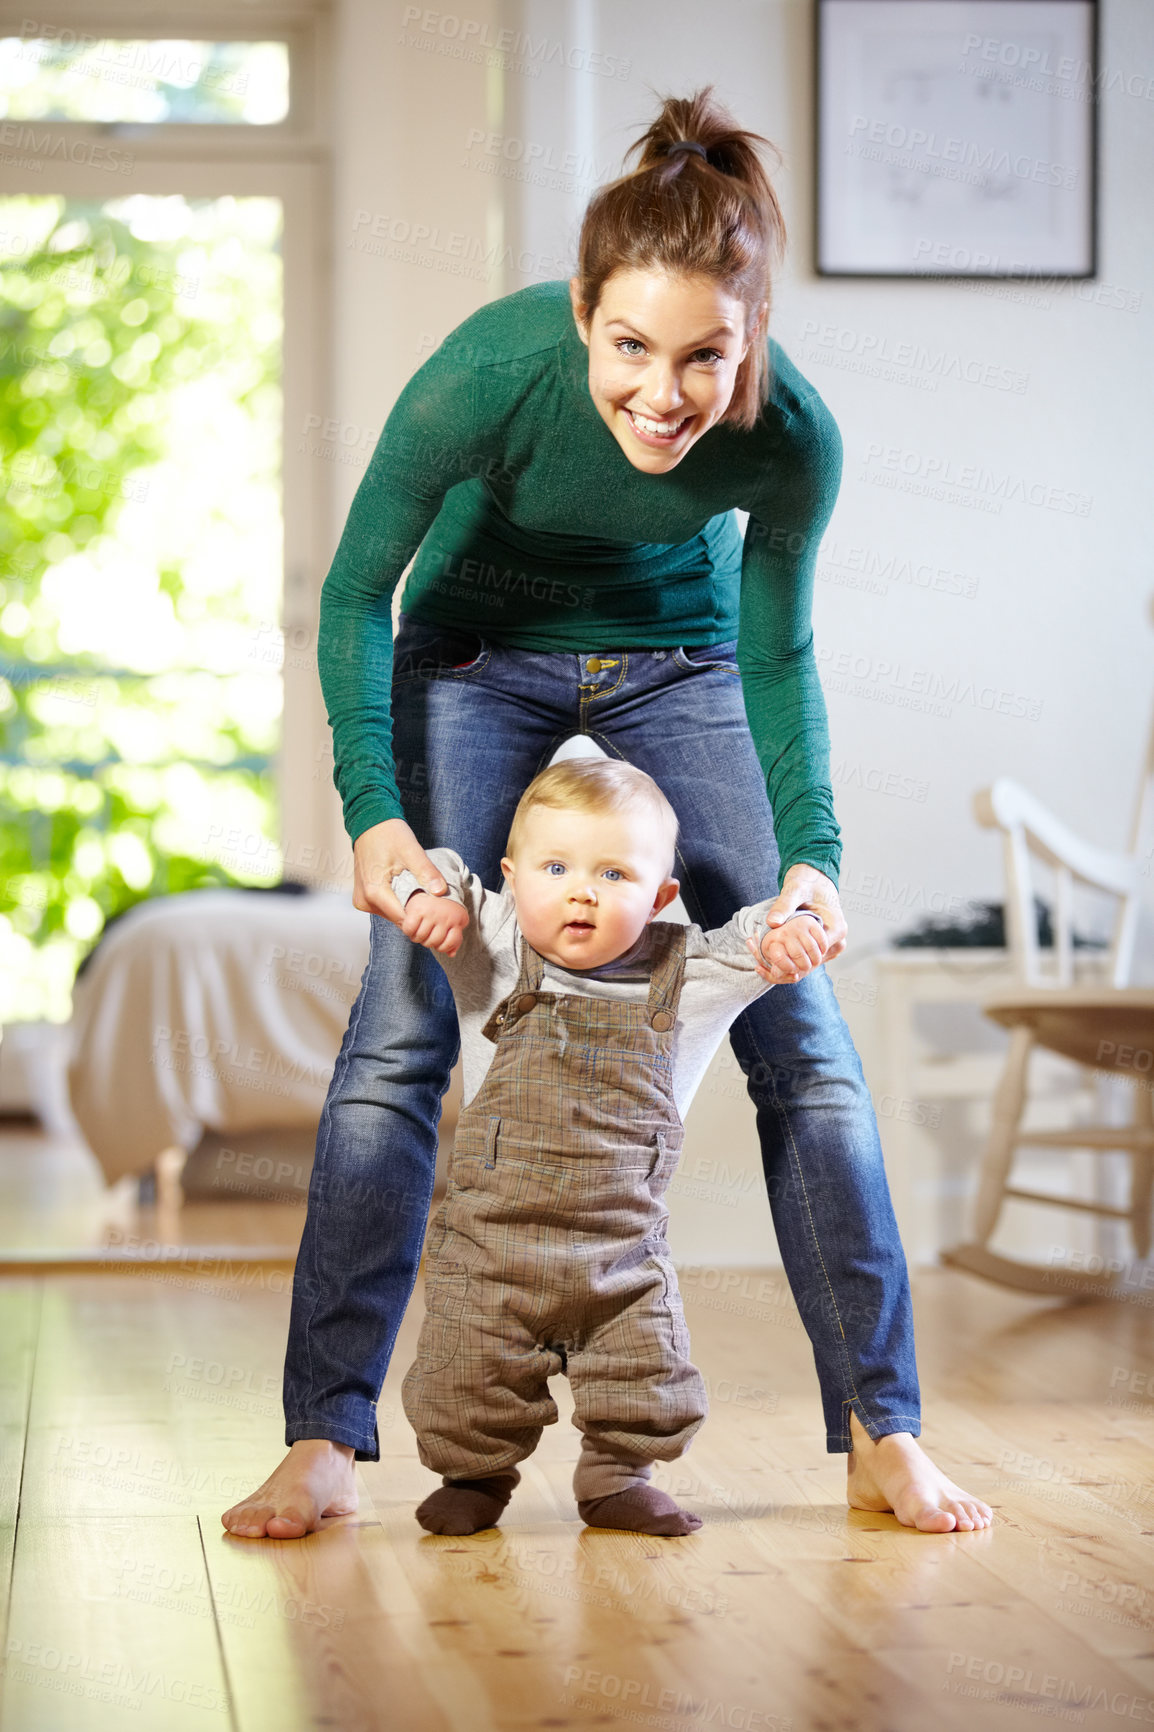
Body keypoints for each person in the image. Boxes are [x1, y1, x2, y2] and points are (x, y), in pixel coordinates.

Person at [222, 85, 993, 1541]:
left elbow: (775, 652)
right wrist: (376, 816)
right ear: (581, 312)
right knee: (400, 1027)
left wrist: (814, 856)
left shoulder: (791, 442)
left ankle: (880, 1429)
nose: (660, 391)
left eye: (703, 355)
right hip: (470, 660)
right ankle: (324, 1436)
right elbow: (350, 597)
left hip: (682, 667)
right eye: (628, 346)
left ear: (750, 338)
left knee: (800, 1032)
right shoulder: (487, 375)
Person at [394, 757, 827, 1539]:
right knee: (467, 1371)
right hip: (492, 1251)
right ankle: (475, 1474)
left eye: (615, 873)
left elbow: (756, 932)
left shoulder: (687, 972)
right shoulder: (489, 949)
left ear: (662, 898)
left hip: (622, 1256)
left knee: (646, 1373)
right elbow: (439, 872)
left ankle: (617, 1475)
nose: (581, 891)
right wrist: (426, 898)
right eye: (554, 867)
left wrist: (794, 931)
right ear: (514, 876)